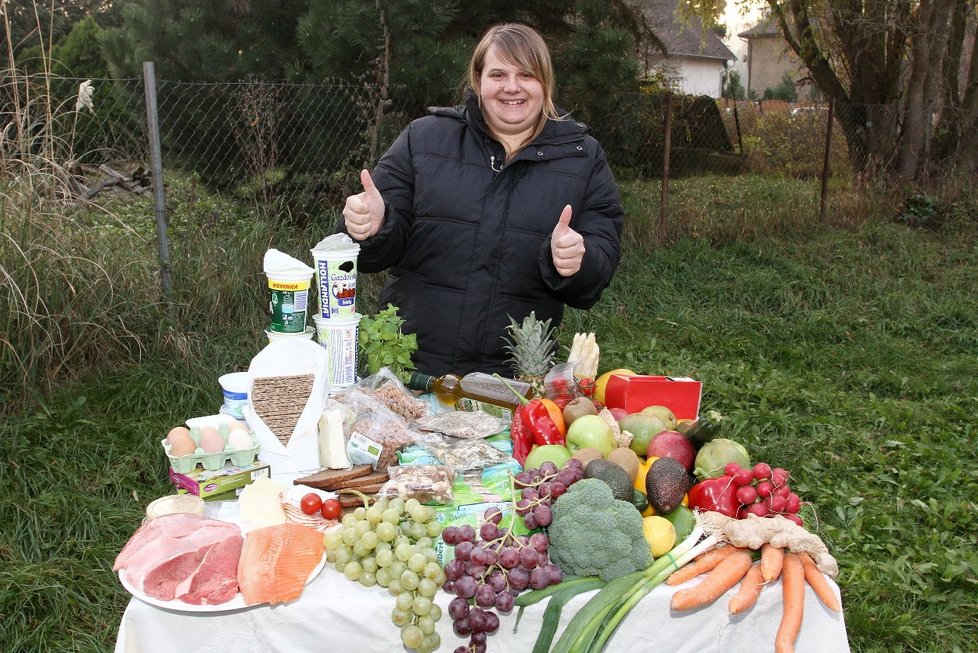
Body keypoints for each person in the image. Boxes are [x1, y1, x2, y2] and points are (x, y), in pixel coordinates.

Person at [342, 22, 624, 377]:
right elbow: (362, 254)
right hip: (412, 372)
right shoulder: (424, 140)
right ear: (478, 80)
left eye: (526, 74)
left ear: (545, 83)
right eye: (498, 74)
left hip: (514, 382)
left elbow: (600, 261)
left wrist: (575, 262)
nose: (511, 87)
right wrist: (369, 227)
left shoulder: (582, 158)